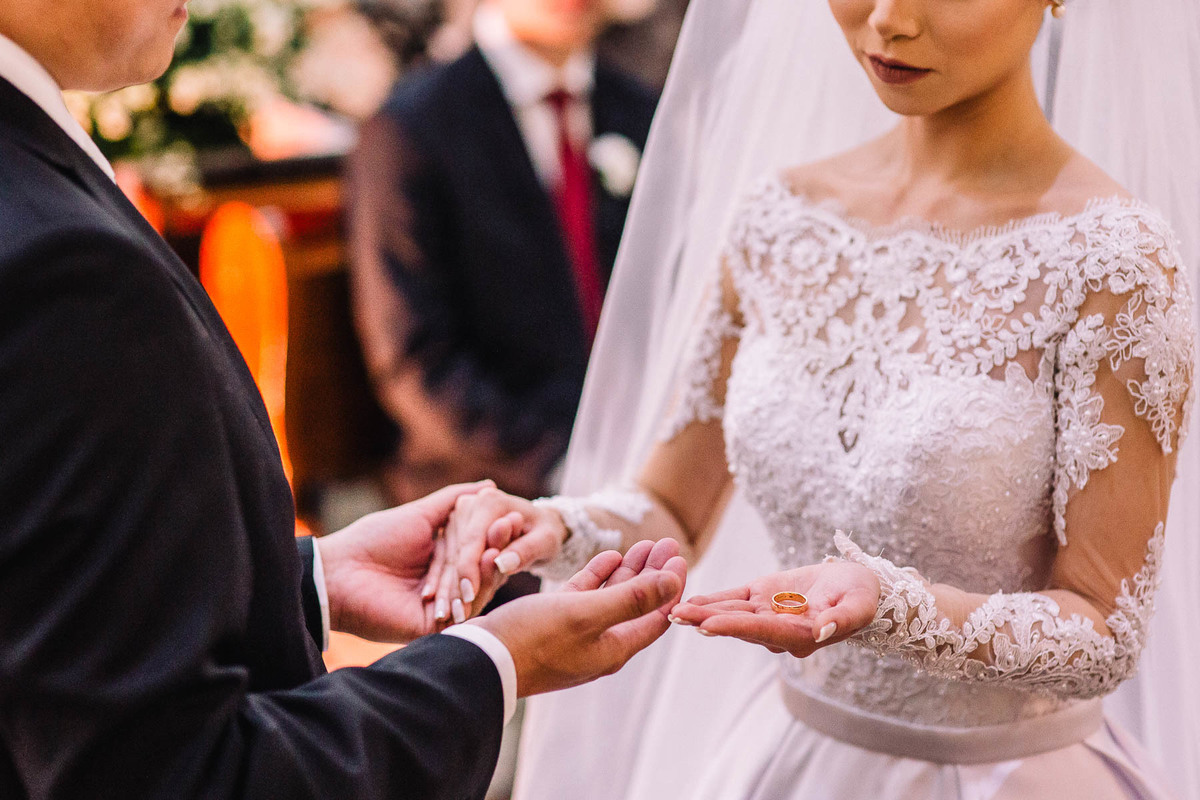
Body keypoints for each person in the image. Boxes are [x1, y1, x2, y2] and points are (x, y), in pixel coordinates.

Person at [430, 0, 1200, 797]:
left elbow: (1103, 627)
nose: (888, 20)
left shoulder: (1114, 263)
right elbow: (672, 509)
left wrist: (892, 606)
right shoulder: (779, 218)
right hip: (789, 759)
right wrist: (547, 526)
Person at [0, 2, 689, 798]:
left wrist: (308, 581)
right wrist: (495, 661)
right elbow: (170, 774)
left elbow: (47, 612)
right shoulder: (66, 266)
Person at [347, 0, 658, 503]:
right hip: (487, 494)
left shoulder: (645, 114)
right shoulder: (411, 129)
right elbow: (412, 357)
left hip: (648, 472)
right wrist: (565, 467)